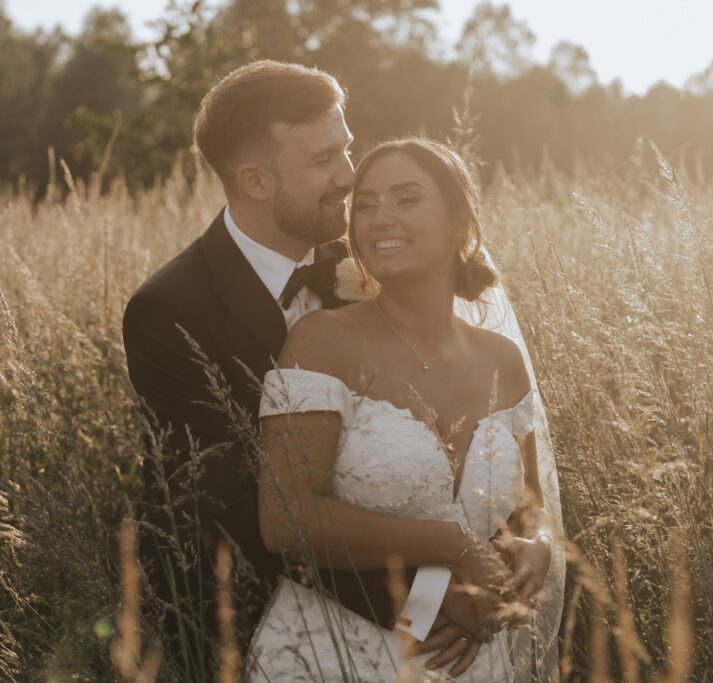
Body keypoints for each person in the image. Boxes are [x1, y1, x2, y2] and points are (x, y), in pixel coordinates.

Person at [122, 61, 483, 680]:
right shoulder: (169, 311)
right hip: (256, 622)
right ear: (255, 180)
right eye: (322, 161)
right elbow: (248, 506)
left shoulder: (377, 255)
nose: (350, 175)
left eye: (346, 147)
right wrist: (425, 603)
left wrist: (497, 552)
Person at [248, 137, 565, 681]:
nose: (379, 218)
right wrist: (453, 546)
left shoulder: (502, 360)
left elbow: (530, 505)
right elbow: (286, 521)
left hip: (471, 654)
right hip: (335, 655)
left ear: (459, 223)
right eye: (365, 205)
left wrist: (538, 542)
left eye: (406, 199)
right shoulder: (322, 342)